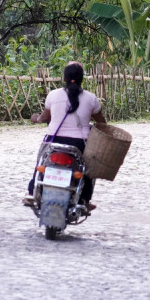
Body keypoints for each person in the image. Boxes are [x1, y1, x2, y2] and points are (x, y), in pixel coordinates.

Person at [25, 61, 106, 210]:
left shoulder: (53, 95)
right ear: (82, 79)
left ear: (64, 78)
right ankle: (84, 200)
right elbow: (102, 123)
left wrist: (35, 118)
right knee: (87, 170)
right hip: (80, 144)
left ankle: (32, 192)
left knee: (41, 163)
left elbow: (43, 118)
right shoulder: (91, 98)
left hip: (53, 140)